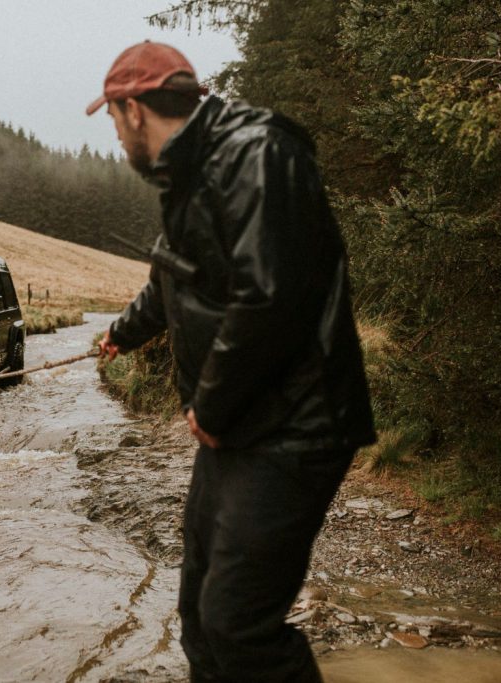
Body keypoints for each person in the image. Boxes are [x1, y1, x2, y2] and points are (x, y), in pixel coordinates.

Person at [88, 41, 376, 682]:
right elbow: (178, 279)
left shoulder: (257, 154)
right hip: (241, 421)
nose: (114, 135)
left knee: (237, 623)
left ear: (134, 109)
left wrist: (210, 405)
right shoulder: (189, 172)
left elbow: (268, 297)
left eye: (111, 118)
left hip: (298, 423)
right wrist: (122, 334)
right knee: (198, 609)